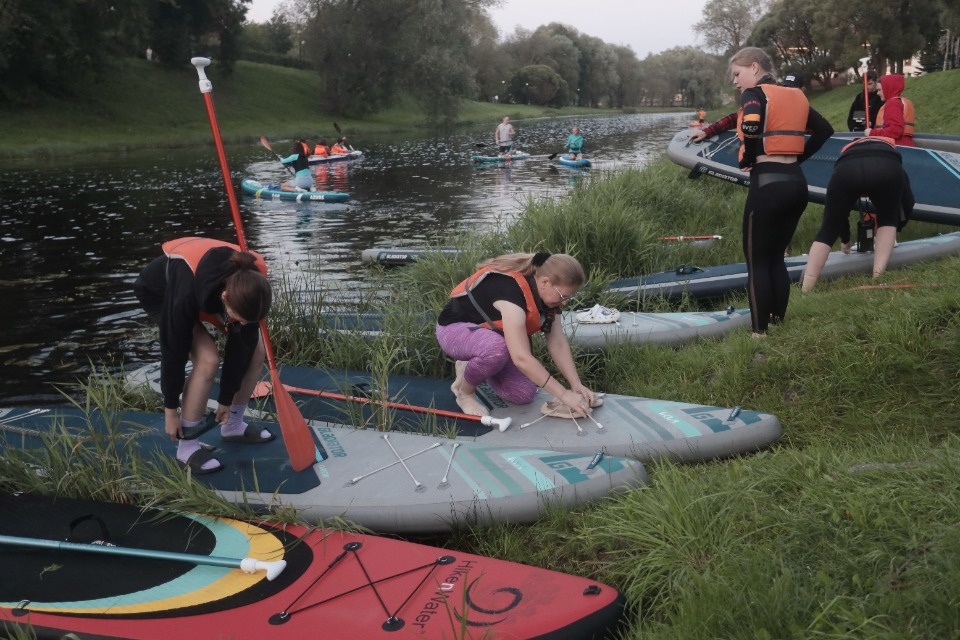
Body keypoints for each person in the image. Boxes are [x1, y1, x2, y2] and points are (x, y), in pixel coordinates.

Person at [132, 236, 275, 474]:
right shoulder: (186, 292)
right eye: (237, 318)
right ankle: (186, 447)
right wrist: (170, 411)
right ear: (225, 299)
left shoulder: (252, 283)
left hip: (208, 290)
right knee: (207, 359)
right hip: (163, 293)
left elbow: (242, 346)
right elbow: (173, 352)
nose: (239, 323)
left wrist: (226, 400)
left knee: (256, 349)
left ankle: (233, 425)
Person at [728, 47, 833, 336]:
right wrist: (797, 157)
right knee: (776, 258)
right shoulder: (795, 95)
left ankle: (758, 334)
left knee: (757, 261)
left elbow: (750, 126)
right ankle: (777, 325)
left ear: (754, 67)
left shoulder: (754, 95)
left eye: (737, 74)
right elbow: (825, 130)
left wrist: (750, 156)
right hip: (796, 183)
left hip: (767, 183)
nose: (736, 82)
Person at [435, 252, 596, 422]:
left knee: (523, 394)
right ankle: (465, 393)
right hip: (454, 331)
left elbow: (557, 343)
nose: (564, 303)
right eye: (563, 296)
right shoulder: (511, 295)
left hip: (493, 337)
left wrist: (575, 384)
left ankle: (477, 365)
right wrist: (563, 394)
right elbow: (521, 358)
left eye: (570, 297)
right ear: (545, 282)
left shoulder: (549, 298)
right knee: (495, 349)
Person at [801, 138, 915, 292]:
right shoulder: (893, 157)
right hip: (885, 165)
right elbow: (909, 201)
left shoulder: (846, 155)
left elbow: (839, 213)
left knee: (828, 228)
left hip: (847, 168)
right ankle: (877, 278)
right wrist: (898, 225)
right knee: (887, 221)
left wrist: (845, 241)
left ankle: (807, 287)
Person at [866, 74, 915, 146]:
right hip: (904, 145)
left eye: (879, 90)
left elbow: (895, 130)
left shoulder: (893, 104)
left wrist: (872, 133)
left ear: (888, 88)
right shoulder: (898, 102)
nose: (878, 93)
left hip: (898, 147)